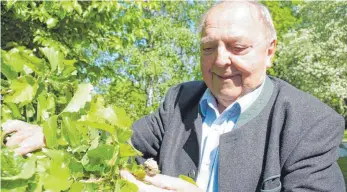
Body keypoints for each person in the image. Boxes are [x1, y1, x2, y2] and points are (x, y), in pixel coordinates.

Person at [2, 1, 345, 191]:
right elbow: (120, 142)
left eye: (238, 47)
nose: (221, 61)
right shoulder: (181, 100)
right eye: (209, 48)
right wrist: (50, 136)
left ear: (270, 51)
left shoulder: (310, 123)